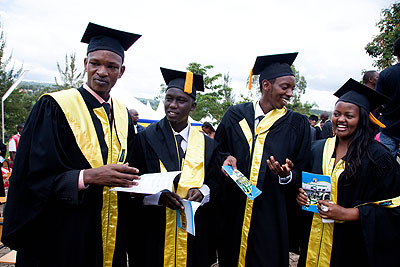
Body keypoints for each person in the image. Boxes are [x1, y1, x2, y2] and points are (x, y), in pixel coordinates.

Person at [2, 22, 141, 267]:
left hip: (110, 232)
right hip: (64, 234)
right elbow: (32, 177)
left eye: (111, 66)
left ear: (121, 72)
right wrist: (86, 177)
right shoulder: (55, 107)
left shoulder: (122, 114)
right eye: (96, 63)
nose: (102, 72)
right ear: (85, 64)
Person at [215, 53, 311, 266]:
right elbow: (218, 151)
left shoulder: (297, 124)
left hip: (272, 213)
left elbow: (304, 168)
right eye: (285, 87)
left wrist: (287, 176)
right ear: (266, 85)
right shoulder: (235, 115)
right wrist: (226, 158)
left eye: (292, 88)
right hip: (235, 210)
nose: (290, 93)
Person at [296, 78, 400, 267]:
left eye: (349, 115)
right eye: (337, 114)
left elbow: (394, 207)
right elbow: (302, 184)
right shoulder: (317, 149)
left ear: (362, 119)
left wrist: (348, 213)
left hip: (351, 247)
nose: (341, 119)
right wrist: (300, 197)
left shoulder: (378, 157)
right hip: (314, 242)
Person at [128, 67, 219, 267]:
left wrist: (203, 192)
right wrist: (157, 197)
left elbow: (214, 179)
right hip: (153, 229)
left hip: (194, 233)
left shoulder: (207, 144)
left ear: (193, 106)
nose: (172, 105)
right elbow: (132, 180)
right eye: (169, 99)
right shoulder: (144, 138)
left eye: (181, 100)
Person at [376, 38, 400, 158]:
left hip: (389, 127)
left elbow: (377, 102)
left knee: (385, 164)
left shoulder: (386, 74)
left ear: (395, 53)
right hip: (389, 127)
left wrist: (383, 110)